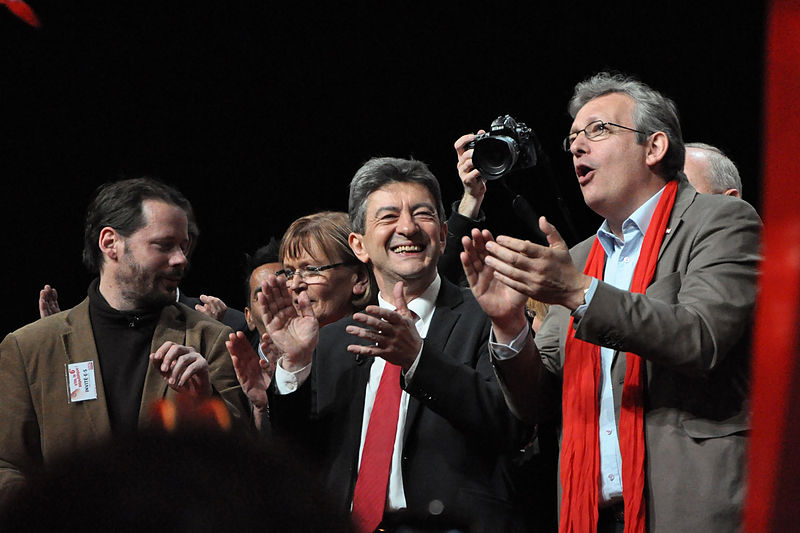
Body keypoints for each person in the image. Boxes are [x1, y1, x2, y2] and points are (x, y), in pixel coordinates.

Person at [460, 72, 760, 532]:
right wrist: (509, 326)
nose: (578, 147)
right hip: (592, 515)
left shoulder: (720, 221)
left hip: (691, 508)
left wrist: (577, 293)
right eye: (573, 137)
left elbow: (701, 337)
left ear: (655, 146)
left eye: (598, 130)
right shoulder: (581, 258)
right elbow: (535, 404)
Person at [256, 158, 529, 533]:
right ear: (359, 245)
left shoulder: (486, 315)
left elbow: (511, 425)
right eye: (388, 217)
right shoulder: (333, 339)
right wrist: (294, 368)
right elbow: (298, 458)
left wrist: (418, 358)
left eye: (422, 214)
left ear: (444, 234)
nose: (407, 228)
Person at [0, 177, 248, 507]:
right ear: (110, 243)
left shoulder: (212, 339)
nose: (181, 260)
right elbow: (7, 465)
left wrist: (204, 403)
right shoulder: (29, 347)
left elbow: (246, 463)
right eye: (164, 245)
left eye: (184, 246)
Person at [227, 211, 376, 430]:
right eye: (289, 272)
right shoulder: (289, 358)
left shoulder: (380, 345)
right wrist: (263, 408)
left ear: (360, 278)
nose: (295, 284)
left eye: (311, 270)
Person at [242, 237, 284, 350]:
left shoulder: (324, 360)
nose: (274, 298)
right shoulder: (230, 364)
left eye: (282, 290)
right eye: (263, 294)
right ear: (248, 317)